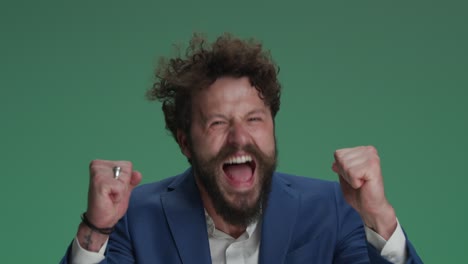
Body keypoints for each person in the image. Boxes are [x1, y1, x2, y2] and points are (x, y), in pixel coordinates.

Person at [60, 33, 423, 264]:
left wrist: (379, 218)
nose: (239, 138)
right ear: (185, 141)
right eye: (217, 122)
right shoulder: (132, 217)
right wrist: (97, 229)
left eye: (254, 119)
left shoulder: (335, 209)